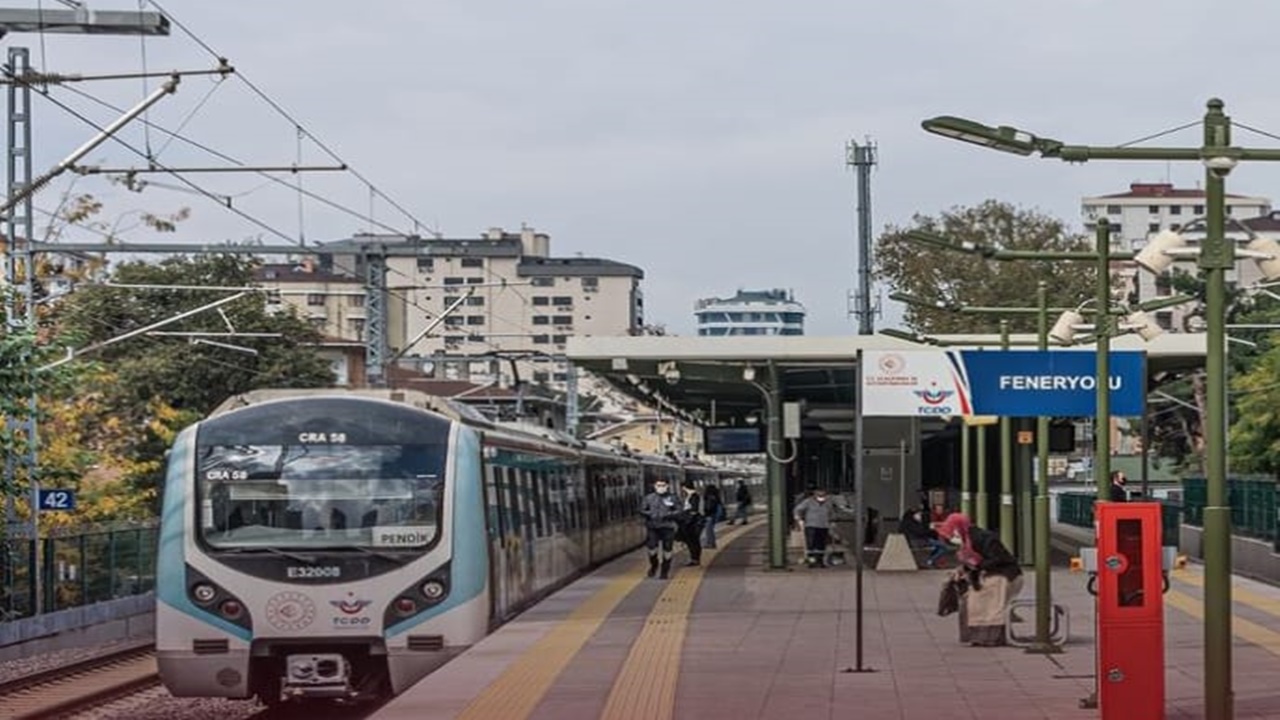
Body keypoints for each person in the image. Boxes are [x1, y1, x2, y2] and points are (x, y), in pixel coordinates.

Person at [936, 513, 1023, 646]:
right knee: (970, 600)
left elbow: (998, 559)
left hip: (1003, 575)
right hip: (990, 574)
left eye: (952, 531)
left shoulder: (984, 538)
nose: (952, 536)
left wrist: (977, 566)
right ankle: (979, 636)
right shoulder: (968, 541)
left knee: (983, 600)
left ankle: (989, 637)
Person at [639, 479, 680, 579]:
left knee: (667, 549)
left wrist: (668, 515)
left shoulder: (672, 498)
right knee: (652, 548)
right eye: (658, 485)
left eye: (663, 485)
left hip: (668, 526)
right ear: (655, 486)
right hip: (653, 526)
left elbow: (679, 510)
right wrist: (651, 514)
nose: (661, 487)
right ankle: (654, 565)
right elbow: (642, 510)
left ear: (667, 486)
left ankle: (665, 570)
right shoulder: (649, 498)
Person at [793, 487, 835, 567]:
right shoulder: (808, 502)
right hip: (811, 526)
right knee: (811, 545)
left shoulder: (828, 503)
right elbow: (798, 509)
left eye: (823, 494)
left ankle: (820, 561)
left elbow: (831, 513)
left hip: (823, 526)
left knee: (821, 545)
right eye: (819, 494)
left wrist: (832, 522)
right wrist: (798, 518)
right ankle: (812, 562)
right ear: (815, 494)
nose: (821, 496)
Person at [677, 480, 704, 566]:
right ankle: (694, 559)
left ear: (684, 487)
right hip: (692, 522)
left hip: (692, 523)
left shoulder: (694, 496)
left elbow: (693, 511)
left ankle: (695, 559)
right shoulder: (693, 496)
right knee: (693, 541)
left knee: (692, 541)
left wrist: (686, 520)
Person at [702, 483, 724, 549]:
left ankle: (710, 544)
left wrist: (706, 514)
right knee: (711, 530)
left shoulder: (709, 497)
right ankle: (712, 543)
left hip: (710, 515)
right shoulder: (716, 497)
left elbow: (708, 507)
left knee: (709, 530)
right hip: (714, 514)